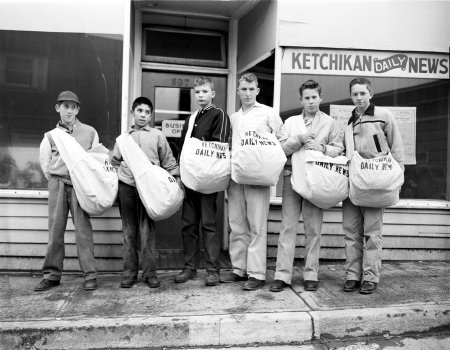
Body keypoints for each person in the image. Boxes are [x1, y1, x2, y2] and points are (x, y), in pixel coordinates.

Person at [270, 80, 344, 293]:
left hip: (316, 181)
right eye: (307, 98)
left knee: (313, 229)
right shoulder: (291, 122)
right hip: (292, 178)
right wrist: (299, 140)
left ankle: (311, 274)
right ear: (300, 99)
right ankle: (282, 276)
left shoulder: (330, 123)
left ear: (321, 97)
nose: (311, 101)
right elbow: (281, 149)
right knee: (287, 227)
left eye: (314, 97)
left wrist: (322, 148)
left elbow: (339, 149)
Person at [221, 72, 283, 291]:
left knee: (257, 226)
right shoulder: (233, 118)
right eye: (243, 89)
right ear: (238, 91)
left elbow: (281, 142)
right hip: (236, 177)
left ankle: (256, 273)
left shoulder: (268, 114)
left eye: (251, 89)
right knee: (237, 224)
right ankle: (239, 269)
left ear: (257, 90)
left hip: (257, 178)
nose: (247, 93)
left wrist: (271, 167)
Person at [111, 97, 180, 289]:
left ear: (151, 115)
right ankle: (129, 273)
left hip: (150, 189)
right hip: (127, 186)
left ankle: (150, 273)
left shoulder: (157, 136)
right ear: (133, 112)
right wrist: (120, 177)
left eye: (147, 112)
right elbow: (114, 161)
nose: (143, 115)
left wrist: (177, 181)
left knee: (147, 231)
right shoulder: (124, 138)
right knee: (128, 232)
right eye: (139, 111)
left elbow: (168, 162)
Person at [342, 77, 404, 294]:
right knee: (351, 231)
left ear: (371, 94)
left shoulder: (384, 116)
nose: (359, 98)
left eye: (362, 93)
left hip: (377, 183)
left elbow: (397, 149)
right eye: (355, 94)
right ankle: (352, 276)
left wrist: (396, 178)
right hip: (354, 184)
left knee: (372, 232)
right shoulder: (349, 122)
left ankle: (370, 277)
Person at [35, 91, 99, 292]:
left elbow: (96, 159)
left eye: (73, 107)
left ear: (78, 109)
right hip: (57, 185)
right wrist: (58, 178)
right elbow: (45, 164)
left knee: (83, 231)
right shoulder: (50, 136)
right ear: (58, 108)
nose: (69, 111)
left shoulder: (89, 132)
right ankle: (52, 275)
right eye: (65, 106)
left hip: (80, 186)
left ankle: (90, 275)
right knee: (55, 230)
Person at [175, 77, 230, 286]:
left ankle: (212, 270)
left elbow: (219, 147)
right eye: (197, 92)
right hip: (190, 180)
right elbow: (182, 149)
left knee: (208, 224)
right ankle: (189, 268)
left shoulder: (220, 115)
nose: (200, 95)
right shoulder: (190, 119)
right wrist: (180, 173)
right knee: (188, 224)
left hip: (207, 179)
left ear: (212, 94)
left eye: (204, 91)